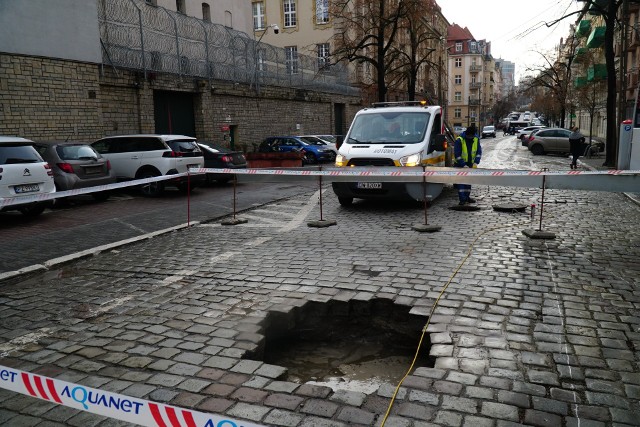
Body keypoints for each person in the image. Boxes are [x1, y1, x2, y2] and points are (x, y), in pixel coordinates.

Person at [453, 124, 482, 205]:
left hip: (470, 165)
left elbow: (478, 152)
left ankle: (467, 197)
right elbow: (457, 155)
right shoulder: (459, 140)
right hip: (460, 166)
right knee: (461, 182)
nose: (471, 138)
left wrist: (476, 162)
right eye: (470, 136)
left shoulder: (476, 139)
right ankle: (462, 199)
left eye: (473, 136)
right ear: (467, 134)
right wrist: (463, 165)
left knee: (468, 182)